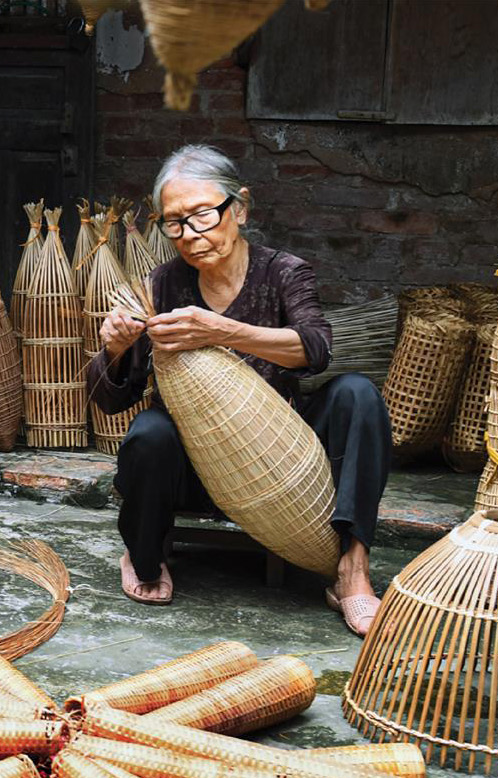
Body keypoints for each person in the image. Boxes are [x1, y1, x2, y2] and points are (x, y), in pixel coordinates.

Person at [86, 144, 390, 637]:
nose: (189, 235)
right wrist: (116, 350)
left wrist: (220, 330)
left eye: (203, 215)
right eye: (174, 222)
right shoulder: (162, 284)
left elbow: (316, 348)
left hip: (285, 459)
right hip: (198, 465)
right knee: (149, 431)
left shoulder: (284, 272)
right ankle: (145, 555)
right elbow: (111, 397)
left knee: (358, 395)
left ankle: (352, 571)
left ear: (240, 208)